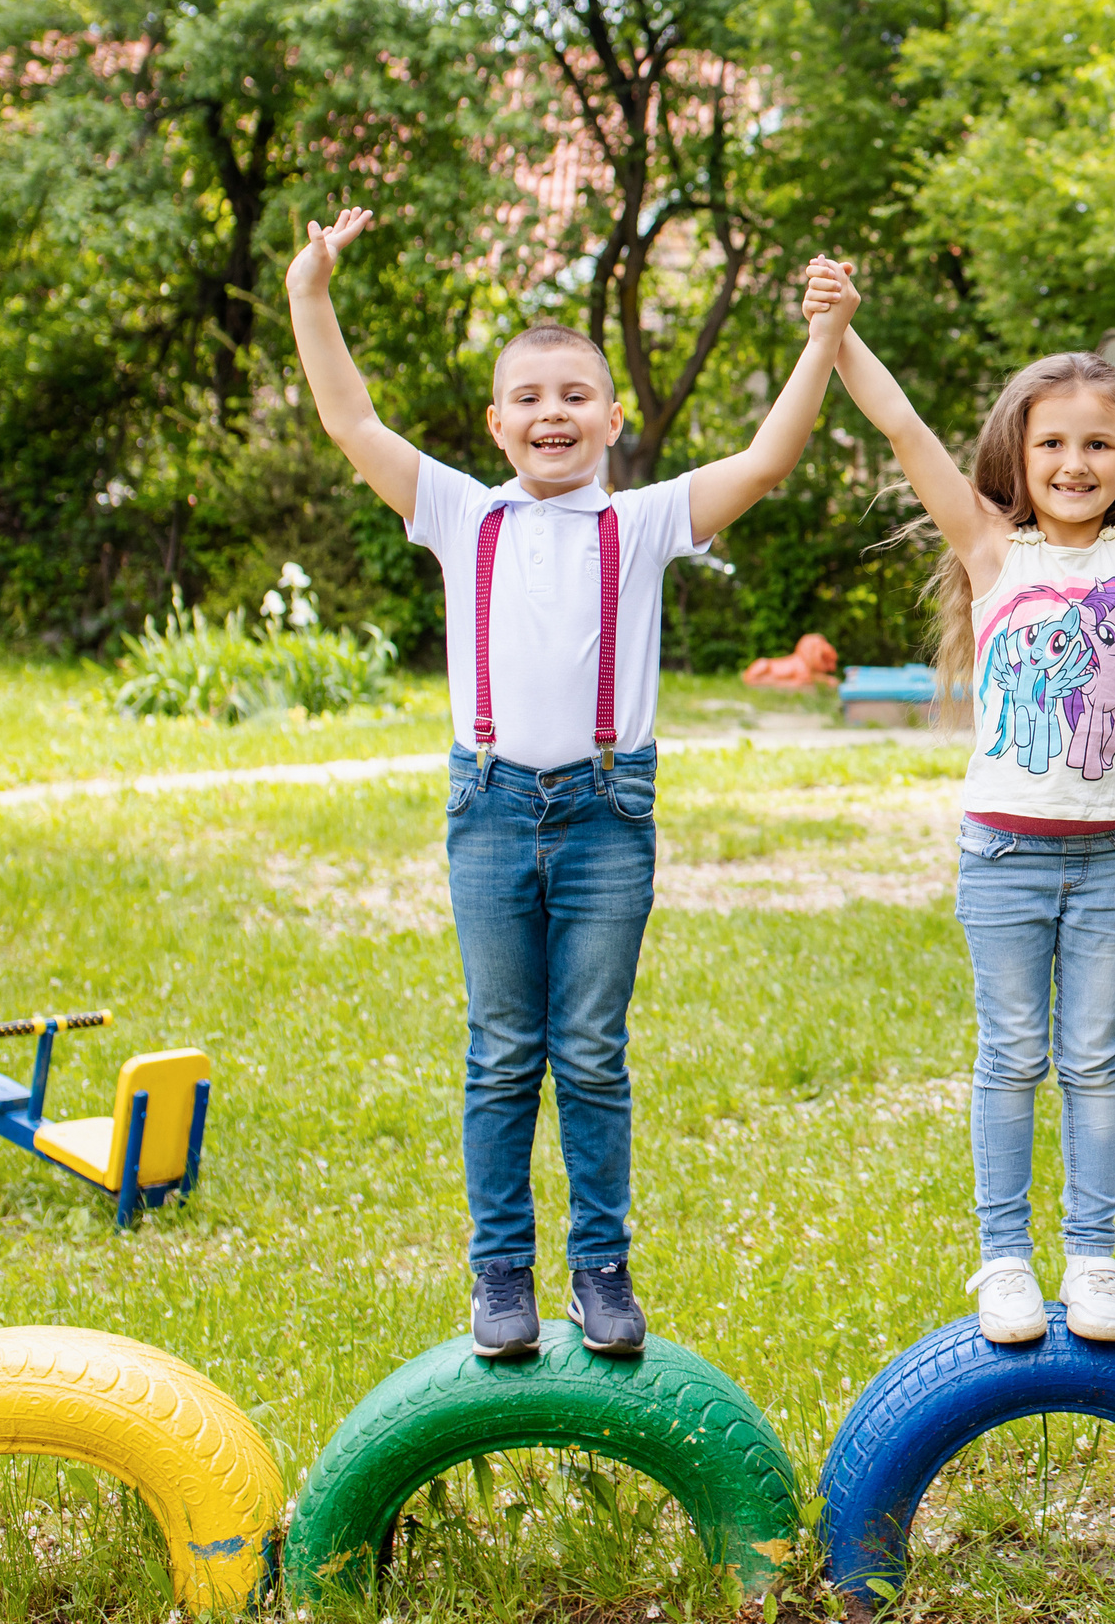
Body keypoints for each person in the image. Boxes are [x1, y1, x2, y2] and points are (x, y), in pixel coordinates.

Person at [286, 206, 859, 1358]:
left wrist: (824, 340)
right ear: (496, 423)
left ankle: (600, 1267)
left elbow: (766, 459)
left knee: (590, 1053)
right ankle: (500, 1273)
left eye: (574, 396)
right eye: (530, 398)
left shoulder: (643, 521)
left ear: (612, 417)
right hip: (491, 807)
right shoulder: (459, 510)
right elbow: (350, 415)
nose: (553, 413)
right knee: (501, 1051)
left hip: (606, 814)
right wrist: (312, 288)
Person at [801, 237, 1115, 1343]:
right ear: (1018, 458)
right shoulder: (989, 547)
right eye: (1054, 443)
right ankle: (1002, 1260)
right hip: (1004, 855)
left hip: (1111, 854)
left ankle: (1093, 1255)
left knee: (1093, 1059)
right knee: (1010, 1055)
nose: (1075, 461)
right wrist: (838, 327)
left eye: (1099, 445)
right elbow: (901, 429)